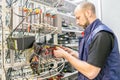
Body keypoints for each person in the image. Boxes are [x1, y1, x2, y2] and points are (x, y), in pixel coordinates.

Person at [54, 1, 120, 80]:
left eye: (78, 18)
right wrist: (73, 54)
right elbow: (93, 59)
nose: (77, 22)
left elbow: (91, 72)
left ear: (88, 13)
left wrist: (66, 55)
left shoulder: (101, 35)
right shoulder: (92, 33)